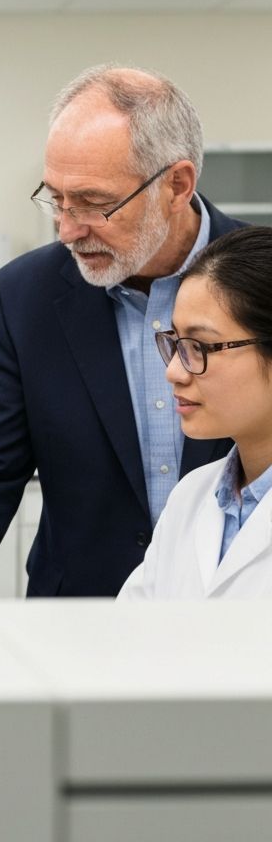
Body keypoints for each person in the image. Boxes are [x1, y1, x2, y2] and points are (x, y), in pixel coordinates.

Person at [0, 64, 247, 599]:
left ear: (177, 185)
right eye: (56, 199)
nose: (68, 229)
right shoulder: (25, 297)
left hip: (237, 601)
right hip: (80, 612)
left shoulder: (261, 281)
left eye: (95, 204)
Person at [119, 227, 272, 600]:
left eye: (200, 346)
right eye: (176, 344)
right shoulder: (191, 496)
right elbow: (131, 628)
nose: (173, 371)